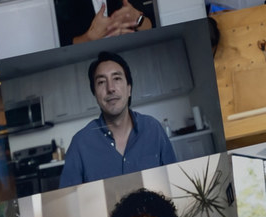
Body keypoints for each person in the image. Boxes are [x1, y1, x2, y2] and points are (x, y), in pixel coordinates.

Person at [60, 50, 179, 185]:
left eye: (116, 79)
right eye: (101, 82)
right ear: (95, 94)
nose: (110, 88)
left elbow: (174, 181)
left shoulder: (153, 128)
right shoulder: (79, 144)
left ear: (129, 89)